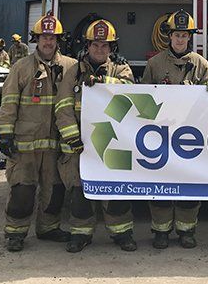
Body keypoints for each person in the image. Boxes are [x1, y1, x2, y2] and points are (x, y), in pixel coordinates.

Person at [55, 19, 136, 253]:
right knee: (80, 192)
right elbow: (62, 106)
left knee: (116, 192)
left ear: (112, 49)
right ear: (87, 46)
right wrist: (72, 137)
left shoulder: (121, 69)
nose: (100, 50)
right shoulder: (74, 71)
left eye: (105, 46)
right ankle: (81, 235)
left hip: (112, 144)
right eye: (95, 45)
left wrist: (101, 81)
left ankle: (122, 234)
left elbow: (129, 91)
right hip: (81, 147)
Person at [0, 13, 77, 252]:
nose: (48, 42)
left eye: (52, 37)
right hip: (25, 144)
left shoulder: (71, 67)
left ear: (58, 40)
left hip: (55, 144)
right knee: (22, 191)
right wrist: (5, 134)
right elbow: (9, 103)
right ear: (36, 39)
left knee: (54, 192)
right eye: (44, 37)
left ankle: (48, 228)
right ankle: (15, 233)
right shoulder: (21, 68)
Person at [141, 9, 208, 250]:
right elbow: (144, 101)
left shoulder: (201, 64)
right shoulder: (154, 64)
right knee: (161, 185)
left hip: (191, 136)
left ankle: (186, 231)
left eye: (184, 35)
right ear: (169, 36)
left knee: (188, 185)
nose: (180, 39)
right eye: (177, 35)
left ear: (190, 37)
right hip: (161, 135)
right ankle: (161, 231)